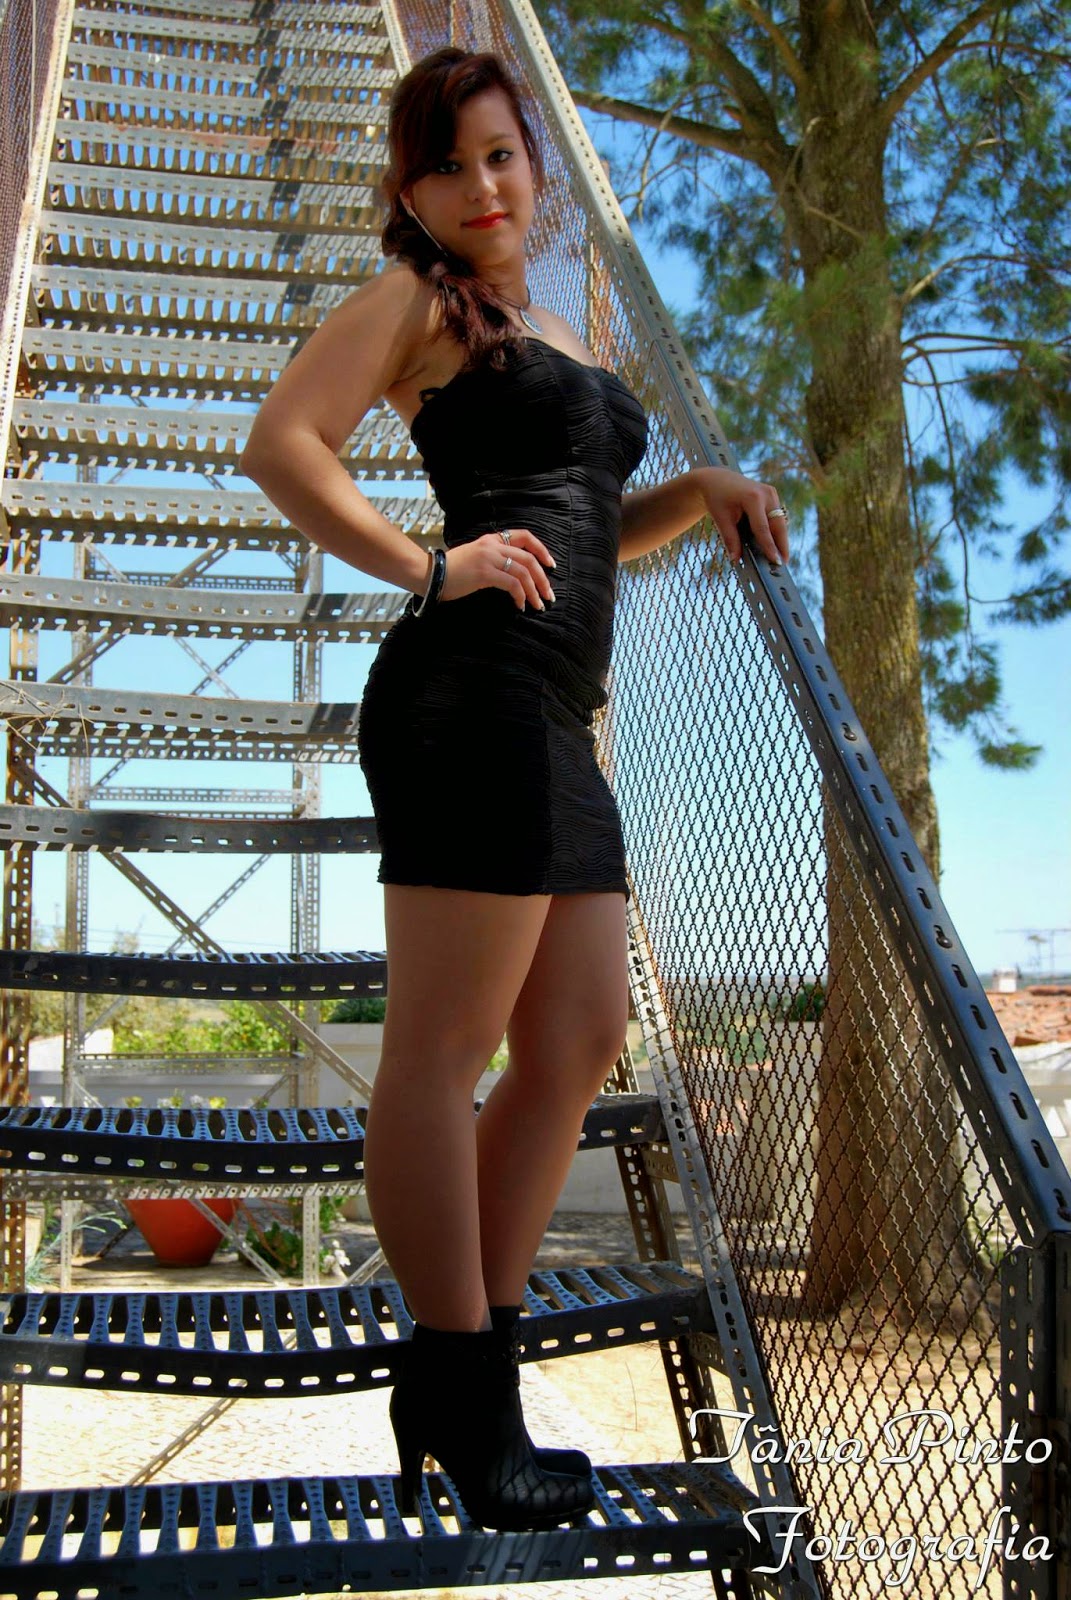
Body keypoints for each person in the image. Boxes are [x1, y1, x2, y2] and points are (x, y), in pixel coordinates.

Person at [240, 46, 790, 1533]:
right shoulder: (417, 302)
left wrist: (707, 493)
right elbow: (282, 445)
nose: (484, 186)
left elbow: (592, 514)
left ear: (534, 166)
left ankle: (463, 1366)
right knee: (446, 1048)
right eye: (450, 165)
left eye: (503, 155)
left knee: (582, 1035)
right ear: (412, 191)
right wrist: (433, 566)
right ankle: (468, 1384)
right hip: (465, 696)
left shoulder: (547, 322)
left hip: (558, 711)